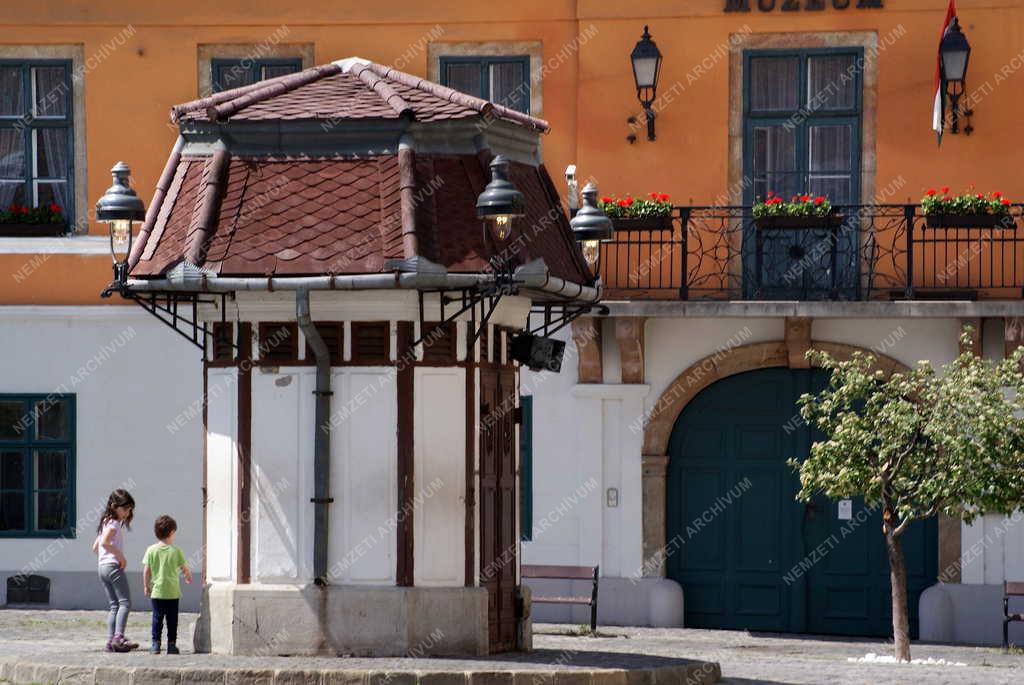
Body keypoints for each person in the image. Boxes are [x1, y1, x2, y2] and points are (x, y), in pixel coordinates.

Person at [92, 489, 139, 652]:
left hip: (102, 567)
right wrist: (121, 557)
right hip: (113, 566)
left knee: (114, 606)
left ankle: (111, 640)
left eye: (130, 510)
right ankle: (118, 637)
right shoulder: (113, 524)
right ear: (114, 506)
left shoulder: (104, 522)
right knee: (125, 603)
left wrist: (105, 558)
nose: (127, 513)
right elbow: (105, 543)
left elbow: (95, 547)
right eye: (125, 509)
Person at [142, 514, 192, 654]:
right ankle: (171, 645)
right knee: (172, 620)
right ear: (171, 532)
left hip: (157, 592)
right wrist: (188, 577)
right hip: (173, 592)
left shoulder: (151, 550)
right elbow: (184, 568)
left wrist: (146, 586)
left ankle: (155, 644)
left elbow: (146, 571)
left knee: (157, 618)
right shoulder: (176, 551)